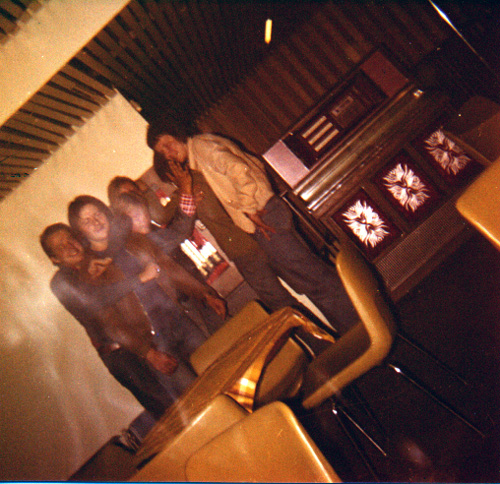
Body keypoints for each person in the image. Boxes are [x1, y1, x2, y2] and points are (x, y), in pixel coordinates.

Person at [147, 120, 359, 336]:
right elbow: (251, 165)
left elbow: (241, 169)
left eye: (168, 144)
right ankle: (358, 330)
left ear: (177, 134)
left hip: (264, 215)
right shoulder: (198, 156)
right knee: (312, 280)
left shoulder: (201, 147)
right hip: (264, 215)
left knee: (314, 280)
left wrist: (249, 208)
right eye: (163, 151)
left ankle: (364, 327)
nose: (169, 153)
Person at [67, 195, 226, 400]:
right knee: (198, 396)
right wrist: (148, 353)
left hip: (178, 320)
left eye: (97, 214)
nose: (96, 222)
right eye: (87, 221)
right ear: (80, 231)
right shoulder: (90, 272)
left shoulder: (132, 240)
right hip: (153, 344)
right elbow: (111, 324)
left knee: (220, 370)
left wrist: (204, 294)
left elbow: (169, 267)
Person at [40, 223, 178, 419]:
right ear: (55, 259)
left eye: (70, 239)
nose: (69, 246)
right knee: (168, 413)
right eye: (60, 247)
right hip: (122, 356)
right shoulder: (61, 282)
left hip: (146, 337)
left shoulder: (95, 259)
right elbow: (96, 299)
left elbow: (121, 227)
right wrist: (140, 278)